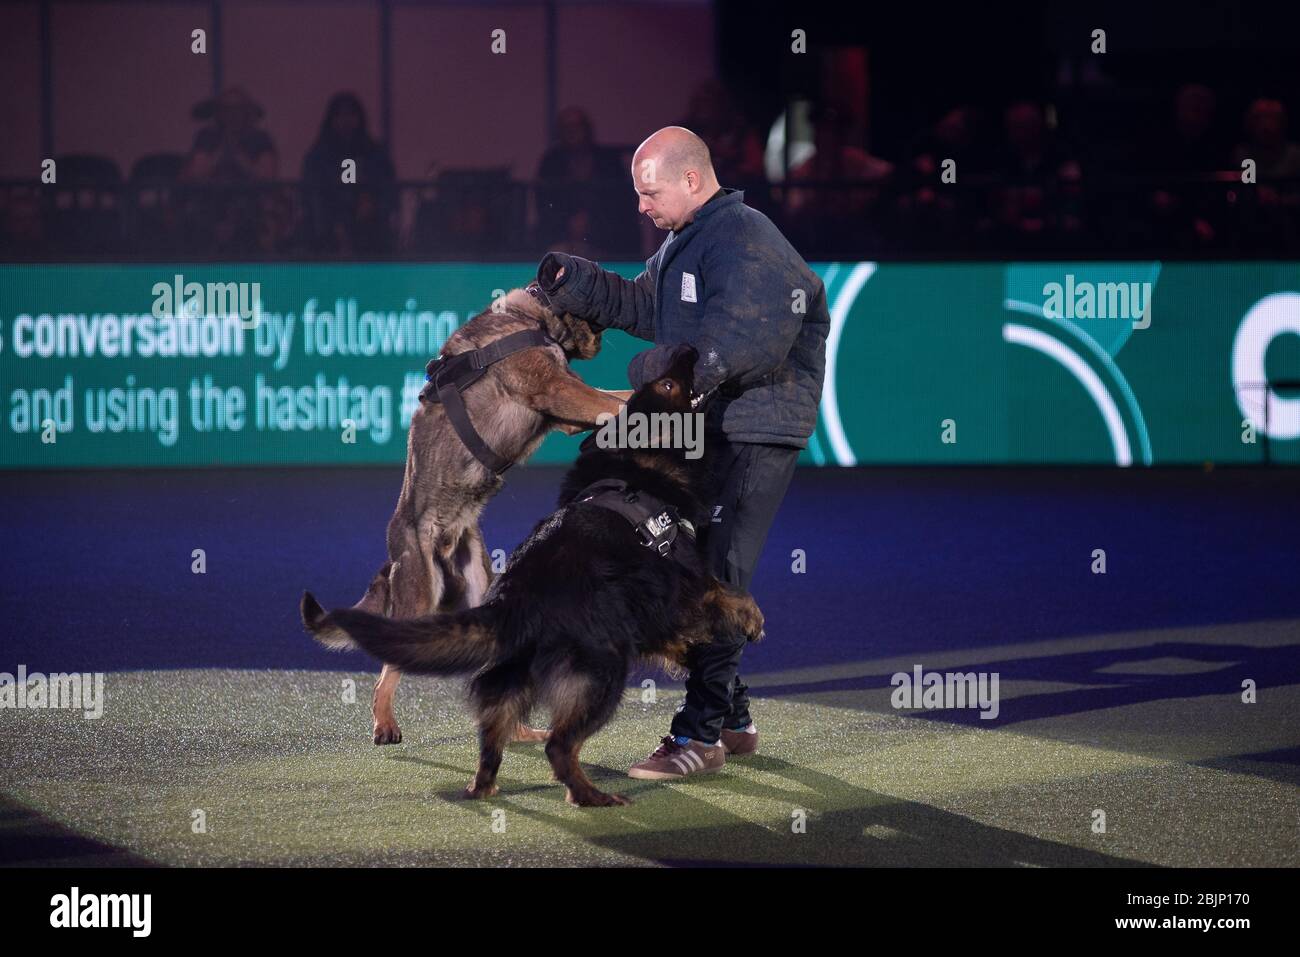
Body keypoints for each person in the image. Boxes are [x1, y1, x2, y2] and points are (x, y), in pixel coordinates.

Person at [534, 126, 829, 780]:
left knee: (718, 576)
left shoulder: (745, 238)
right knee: (691, 562)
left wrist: (658, 371)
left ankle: (698, 738)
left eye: (649, 191)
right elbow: (646, 304)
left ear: (691, 180)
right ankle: (733, 716)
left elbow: (746, 341)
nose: (640, 204)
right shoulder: (688, 243)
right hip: (717, 425)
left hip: (756, 427)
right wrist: (575, 282)